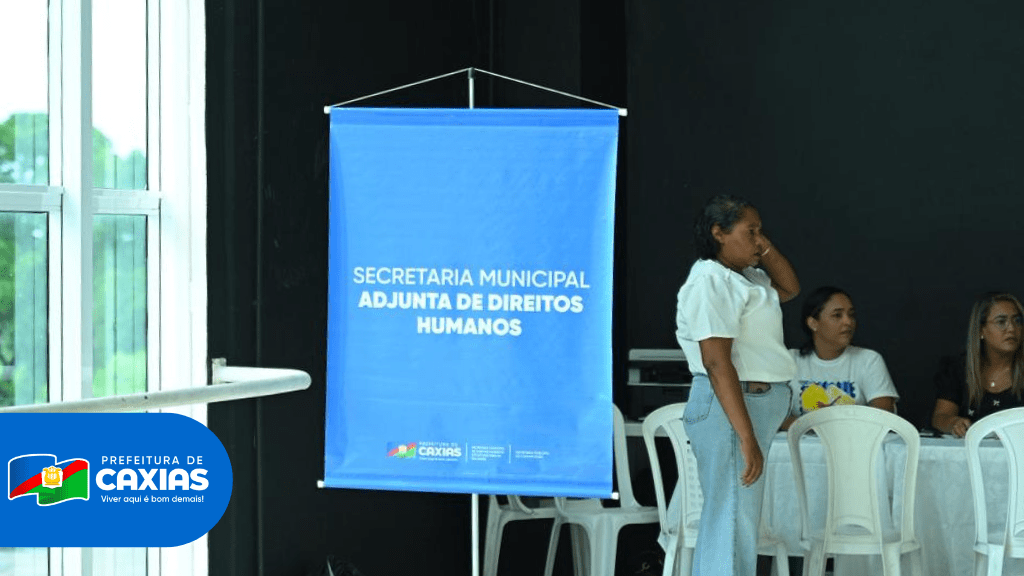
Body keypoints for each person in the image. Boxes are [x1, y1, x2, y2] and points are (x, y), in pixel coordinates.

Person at [672, 194, 798, 575]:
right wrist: (745, 435)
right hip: (731, 408)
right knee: (730, 520)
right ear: (719, 233)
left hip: (750, 407)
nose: (759, 241)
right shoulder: (711, 280)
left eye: (761, 232)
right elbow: (716, 361)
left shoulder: (748, 277)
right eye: (751, 232)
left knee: (737, 520)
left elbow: (790, 288)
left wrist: (764, 247)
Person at [779, 286, 899, 430]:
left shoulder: (868, 360)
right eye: (837, 315)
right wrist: (824, 425)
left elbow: (884, 415)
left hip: (855, 442)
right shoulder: (790, 360)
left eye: (851, 315)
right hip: (803, 444)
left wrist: (820, 423)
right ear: (813, 323)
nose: (848, 322)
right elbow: (772, 418)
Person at [931, 292, 1024, 438]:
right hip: (968, 451)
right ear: (981, 330)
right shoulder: (957, 368)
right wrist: (953, 423)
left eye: (1017, 321)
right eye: (1001, 322)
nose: (1012, 328)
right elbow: (940, 417)